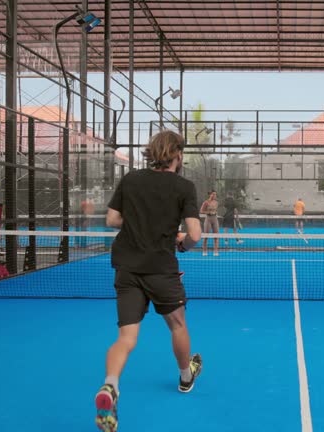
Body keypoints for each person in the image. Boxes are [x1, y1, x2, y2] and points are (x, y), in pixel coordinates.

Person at [96, 131, 203, 432]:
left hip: (126, 268)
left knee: (126, 339)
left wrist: (142, 222)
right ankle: (185, 376)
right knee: (178, 325)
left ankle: (110, 386)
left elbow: (112, 220)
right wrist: (179, 242)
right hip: (161, 269)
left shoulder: (130, 180)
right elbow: (194, 235)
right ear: (177, 155)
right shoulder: (184, 187)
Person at [200, 190, 220, 256]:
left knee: (216, 236)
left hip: (215, 219)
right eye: (213, 194)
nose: (214, 196)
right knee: (206, 236)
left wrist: (215, 213)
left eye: (215, 194)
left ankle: (216, 251)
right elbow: (201, 211)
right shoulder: (206, 202)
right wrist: (208, 212)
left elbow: (216, 210)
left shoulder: (216, 202)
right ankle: (204, 251)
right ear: (210, 194)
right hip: (208, 219)